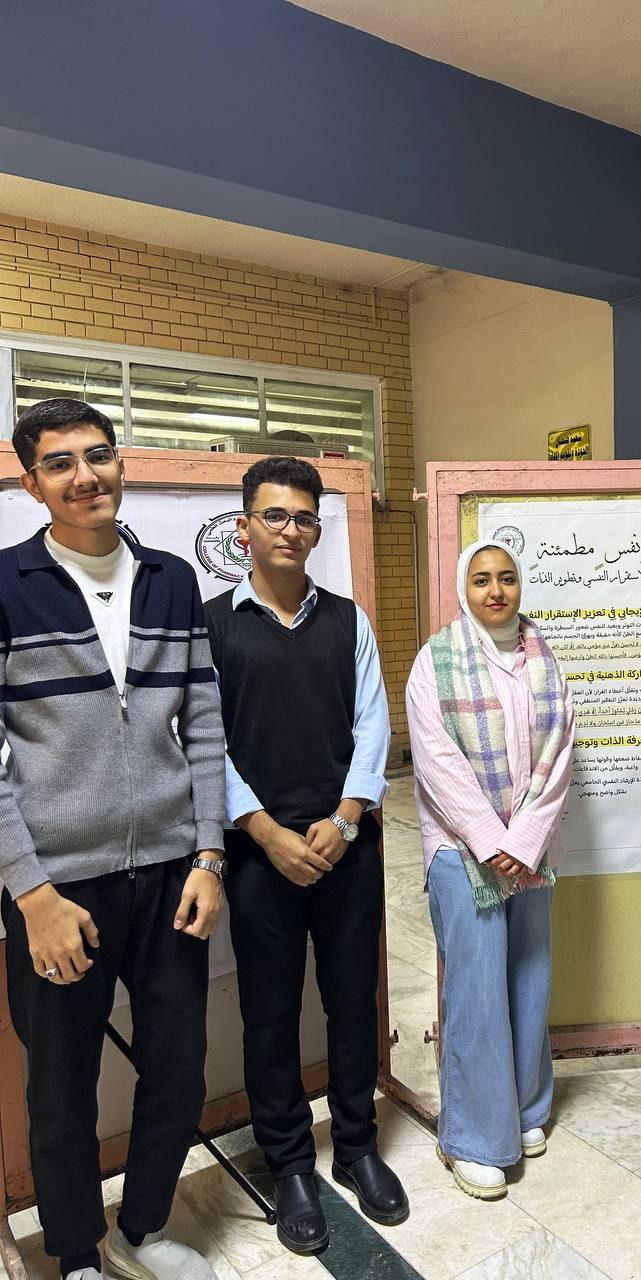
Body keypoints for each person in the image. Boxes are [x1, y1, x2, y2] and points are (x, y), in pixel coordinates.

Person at [0, 399, 226, 1280]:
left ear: (120, 464)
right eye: (59, 463)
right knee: (61, 1091)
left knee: (179, 1068)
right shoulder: (8, 583)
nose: (84, 475)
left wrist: (208, 854)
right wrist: (31, 892)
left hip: (172, 873)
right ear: (33, 485)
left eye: (97, 455)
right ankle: (76, 1255)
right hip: (59, 889)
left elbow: (202, 725)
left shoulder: (171, 579)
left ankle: (144, 1229)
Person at [204, 456, 408, 1253]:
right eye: (275, 515)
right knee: (269, 1014)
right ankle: (290, 1163)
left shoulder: (349, 621)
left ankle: (356, 1146)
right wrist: (262, 830)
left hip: (345, 848)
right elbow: (204, 740)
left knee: (353, 1005)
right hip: (260, 856)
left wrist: (347, 817)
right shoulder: (213, 625)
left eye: (304, 518)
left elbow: (373, 724)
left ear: (318, 531)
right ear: (244, 527)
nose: (290, 530)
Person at [405, 539, 575, 1200]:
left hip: (530, 852)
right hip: (461, 851)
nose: (496, 591)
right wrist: (487, 837)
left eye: (506, 578)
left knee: (530, 976)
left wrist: (522, 839)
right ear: (463, 587)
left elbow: (559, 752)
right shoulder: (436, 661)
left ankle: (527, 1108)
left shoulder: (544, 657)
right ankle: (474, 1139)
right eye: (481, 579)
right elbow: (436, 761)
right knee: (476, 992)